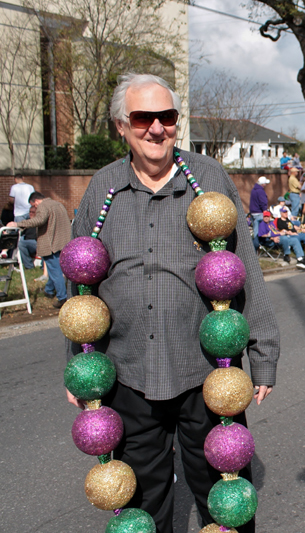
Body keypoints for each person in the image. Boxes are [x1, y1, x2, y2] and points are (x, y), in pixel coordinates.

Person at [65, 73, 279, 533]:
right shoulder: (103, 187)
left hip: (207, 372)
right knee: (144, 503)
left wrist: (263, 353)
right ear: (122, 125)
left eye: (167, 116)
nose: (157, 128)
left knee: (225, 500)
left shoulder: (209, 178)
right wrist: (78, 366)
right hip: (127, 373)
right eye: (144, 117)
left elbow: (245, 266)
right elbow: (81, 284)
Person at [8, 191, 70, 306]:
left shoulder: (43, 206)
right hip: (62, 242)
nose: (35, 208)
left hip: (50, 243)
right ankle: (49, 290)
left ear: (36, 201)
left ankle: (62, 298)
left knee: (55, 271)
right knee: (54, 269)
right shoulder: (58, 204)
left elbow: (39, 220)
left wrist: (17, 224)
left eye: (33, 205)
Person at [249, 176, 271, 251]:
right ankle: (256, 247)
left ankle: (255, 247)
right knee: (258, 232)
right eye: (265, 183)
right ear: (263, 184)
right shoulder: (260, 191)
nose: (266, 185)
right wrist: (265, 210)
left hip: (253, 212)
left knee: (255, 230)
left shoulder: (253, 190)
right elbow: (263, 202)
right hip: (259, 212)